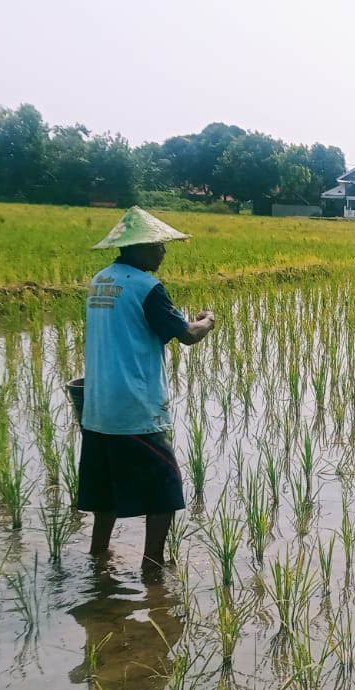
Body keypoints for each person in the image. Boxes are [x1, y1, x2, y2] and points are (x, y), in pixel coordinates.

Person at [78, 206, 216, 571]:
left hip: (96, 406)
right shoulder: (147, 287)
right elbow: (186, 336)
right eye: (157, 245)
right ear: (136, 246)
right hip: (134, 408)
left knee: (104, 491)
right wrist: (207, 321)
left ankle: (98, 560)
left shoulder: (100, 280)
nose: (163, 251)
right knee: (165, 490)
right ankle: (153, 568)